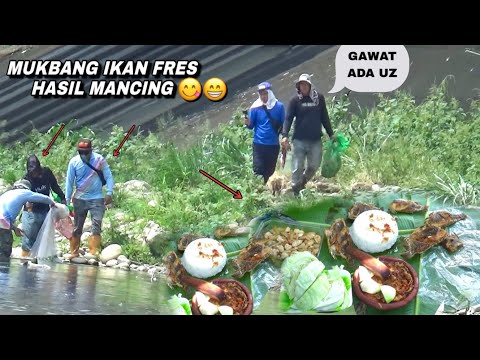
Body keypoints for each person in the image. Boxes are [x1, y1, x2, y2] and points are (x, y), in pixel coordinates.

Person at [281, 74, 336, 196]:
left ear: (310, 86)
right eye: (301, 84)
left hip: (315, 139)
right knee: (297, 166)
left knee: (314, 165)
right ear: (298, 86)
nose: (303, 87)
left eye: (306, 84)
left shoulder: (319, 99)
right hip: (299, 140)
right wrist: (284, 135)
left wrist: (331, 134)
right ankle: (296, 191)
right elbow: (288, 118)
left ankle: (302, 182)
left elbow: (324, 117)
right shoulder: (294, 100)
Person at [65, 138, 114, 259]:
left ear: (91, 151)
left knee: (96, 224)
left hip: (97, 198)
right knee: (77, 227)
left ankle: (93, 252)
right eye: (81, 152)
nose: (83, 155)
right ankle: (74, 252)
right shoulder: (74, 162)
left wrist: (109, 192)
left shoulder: (99, 160)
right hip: (79, 199)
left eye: (86, 152)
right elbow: (69, 182)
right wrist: (67, 200)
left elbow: (108, 176)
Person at [21, 154, 67, 257]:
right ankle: (25, 261)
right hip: (31, 212)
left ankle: (38, 260)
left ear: (39, 168)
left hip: (45, 211)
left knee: (42, 238)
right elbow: (22, 196)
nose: (34, 175)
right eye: (32, 173)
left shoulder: (46, 173)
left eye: (36, 172)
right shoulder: (26, 179)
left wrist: (62, 198)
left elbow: (54, 186)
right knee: (29, 238)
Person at [0, 179, 57, 261]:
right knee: (5, 250)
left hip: (2, 221)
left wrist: (14, 228)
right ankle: (3, 270)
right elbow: (42, 198)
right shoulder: (24, 192)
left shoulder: (7, 194)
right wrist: (52, 203)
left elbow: (4, 216)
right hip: (2, 222)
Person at [244, 81, 285, 184]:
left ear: (270, 93)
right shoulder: (255, 107)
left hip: (273, 145)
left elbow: (284, 125)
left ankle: (268, 192)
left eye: (265, 93)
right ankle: (258, 193)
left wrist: (285, 139)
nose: (263, 96)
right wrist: (247, 123)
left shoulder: (279, 107)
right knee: (258, 170)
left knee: (270, 172)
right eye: (261, 94)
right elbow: (250, 126)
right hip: (259, 144)